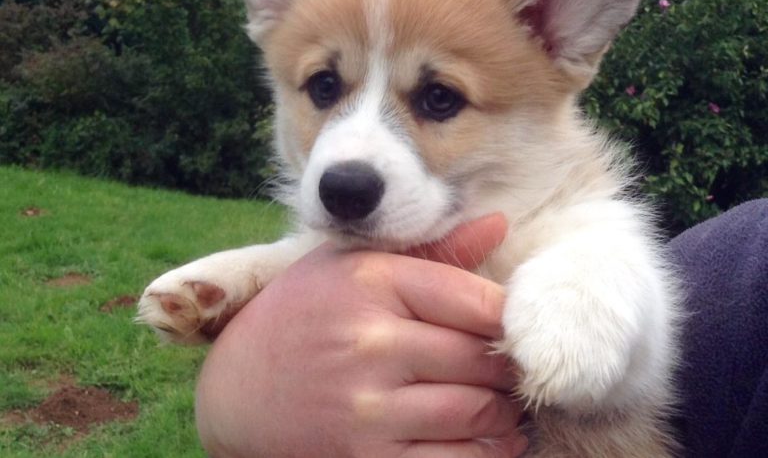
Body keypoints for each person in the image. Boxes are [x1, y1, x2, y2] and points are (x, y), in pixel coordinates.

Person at [196, 202, 768, 457]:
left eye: (439, 97)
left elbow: (622, 358)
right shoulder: (740, 279)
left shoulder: (593, 231)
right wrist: (235, 390)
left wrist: (587, 288)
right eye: (326, 88)